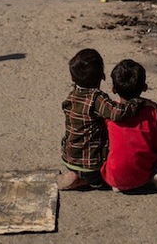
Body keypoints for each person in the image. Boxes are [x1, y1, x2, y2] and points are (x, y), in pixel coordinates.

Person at [58, 48, 142, 191]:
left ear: (72, 78)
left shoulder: (72, 96)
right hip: (92, 167)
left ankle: (74, 174)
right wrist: (136, 103)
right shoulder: (96, 99)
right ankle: (85, 181)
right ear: (102, 76)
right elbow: (117, 114)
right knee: (107, 180)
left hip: (69, 159)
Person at [100, 59, 157, 192]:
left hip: (114, 177)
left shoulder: (110, 113)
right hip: (143, 176)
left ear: (113, 89)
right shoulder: (151, 113)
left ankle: (118, 179)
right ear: (144, 88)